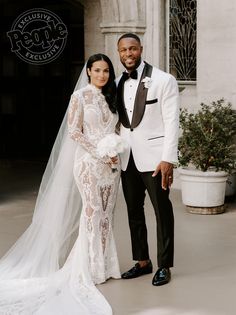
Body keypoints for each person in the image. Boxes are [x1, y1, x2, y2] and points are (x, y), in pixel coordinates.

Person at [0, 54, 120, 314]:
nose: (102, 75)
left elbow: (116, 129)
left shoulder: (112, 97)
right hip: (88, 163)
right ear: (88, 72)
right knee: (92, 212)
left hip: (112, 165)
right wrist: (99, 151)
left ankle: (106, 265)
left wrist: (115, 148)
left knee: (107, 214)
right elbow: (74, 131)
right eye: (97, 70)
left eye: (106, 71)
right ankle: (88, 268)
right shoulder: (80, 97)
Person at [116, 33, 179, 286]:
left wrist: (168, 159)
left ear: (140, 49)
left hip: (155, 160)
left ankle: (164, 265)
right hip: (126, 158)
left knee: (162, 211)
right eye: (123, 50)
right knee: (133, 211)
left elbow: (172, 121)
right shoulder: (118, 81)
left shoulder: (164, 80)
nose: (128, 54)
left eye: (132, 49)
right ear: (119, 53)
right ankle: (142, 261)